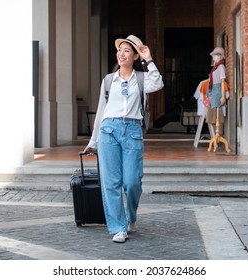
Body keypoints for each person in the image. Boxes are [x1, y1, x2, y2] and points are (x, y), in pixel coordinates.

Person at [83, 35, 164, 243]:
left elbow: (158, 83)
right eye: (120, 50)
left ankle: (131, 216)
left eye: (127, 50)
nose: (121, 53)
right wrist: (93, 141)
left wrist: (149, 59)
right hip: (109, 131)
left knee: (132, 182)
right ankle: (118, 227)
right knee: (111, 182)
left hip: (133, 131)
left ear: (135, 55)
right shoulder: (109, 80)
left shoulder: (141, 78)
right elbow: (101, 111)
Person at [206, 47, 227, 124]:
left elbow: (222, 81)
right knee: (213, 107)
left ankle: (218, 130)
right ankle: (216, 131)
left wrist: (223, 96)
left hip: (218, 89)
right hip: (214, 88)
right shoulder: (215, 67)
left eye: (215, 55)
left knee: (216, 108)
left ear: (219, 56)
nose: (213, 57)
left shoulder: (221, 67)